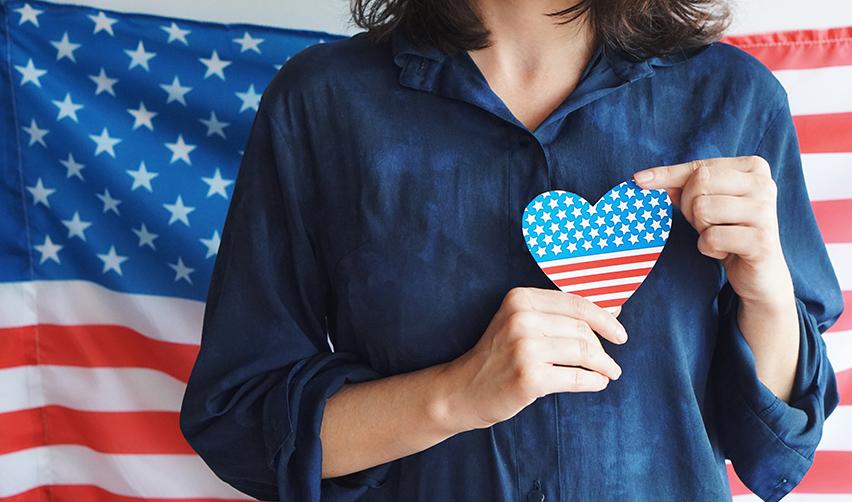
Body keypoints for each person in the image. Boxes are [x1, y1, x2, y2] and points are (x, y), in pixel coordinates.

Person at [178, 0, 844, 500]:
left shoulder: (735, 98)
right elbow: (243, 423)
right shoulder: (322, 102)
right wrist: (455, 394)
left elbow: (776, 451)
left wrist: (768, 292)